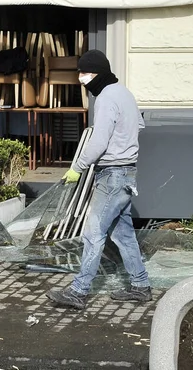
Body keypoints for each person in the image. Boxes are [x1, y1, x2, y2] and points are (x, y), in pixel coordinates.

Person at [46, 49, 151, 310]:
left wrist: (77, 167)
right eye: (80, 73)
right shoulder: (124, 93)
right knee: (124, 234)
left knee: (93, 233)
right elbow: (139, 126)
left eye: (86, 73)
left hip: (112, 174)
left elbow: (99, 141)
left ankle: (79, 292)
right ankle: (141, 286)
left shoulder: (105, 98)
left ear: (99, 73)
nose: (81, 78)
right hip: (127, 173)